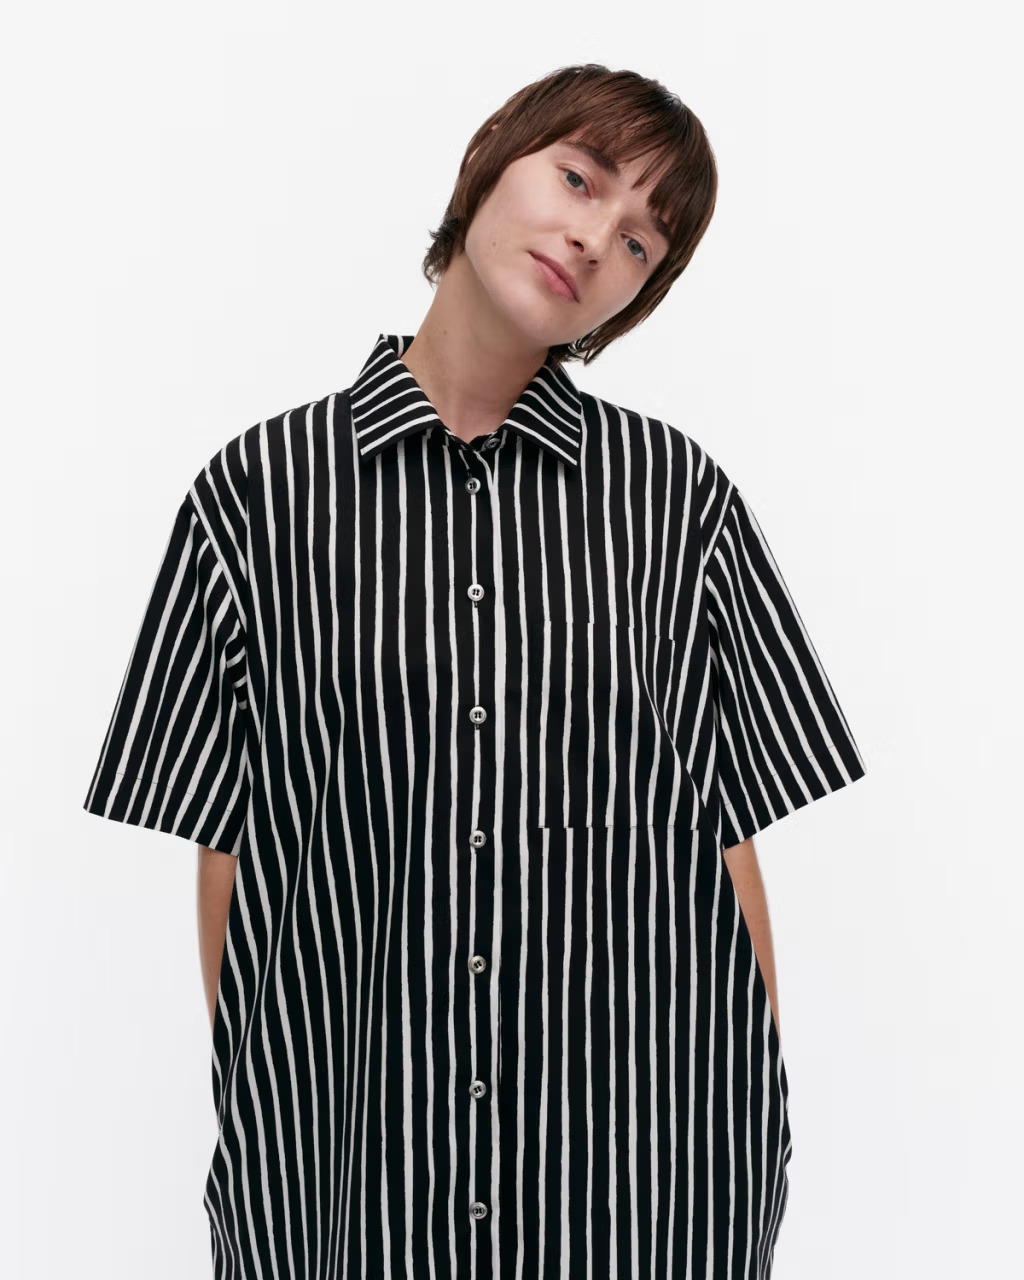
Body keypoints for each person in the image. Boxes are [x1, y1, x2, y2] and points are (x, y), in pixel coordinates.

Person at [83, 63, 866, 1279]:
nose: (595, 237)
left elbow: (728, 832)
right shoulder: (256, 497)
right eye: (580, 179)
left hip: (646, 1175)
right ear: (490, 156)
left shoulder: (677, 503)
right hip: (356, 1179)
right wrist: (282, 1118)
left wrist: (749, 1112)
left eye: (640, 242)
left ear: (637, 297)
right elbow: (222, 842)